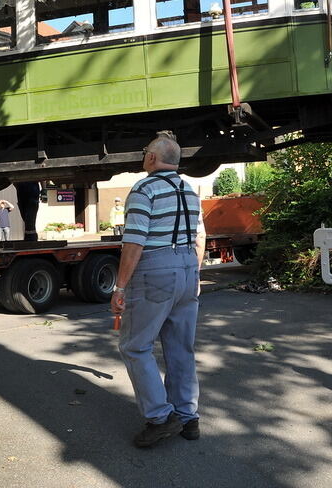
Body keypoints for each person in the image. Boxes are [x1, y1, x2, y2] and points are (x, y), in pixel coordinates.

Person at [111, 134, 207, 448]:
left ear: (152, 157)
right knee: (181, 347)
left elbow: (135, 242)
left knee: (135, 346)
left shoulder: (144, 189)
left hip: (155, 270)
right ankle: (188, 417)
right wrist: (195, 275)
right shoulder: (189, 191)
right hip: (187, 268)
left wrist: (120, 286)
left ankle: (161, 417)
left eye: (144, 152)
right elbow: (199, 238)